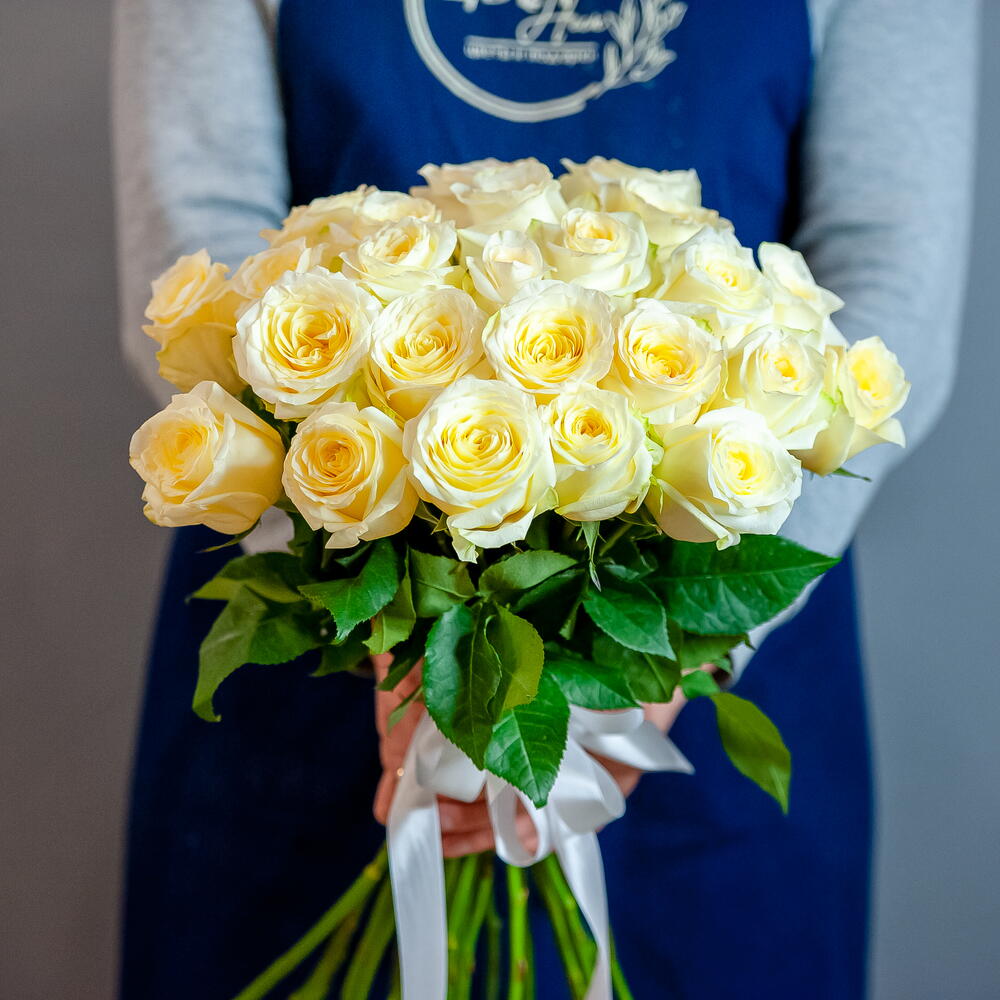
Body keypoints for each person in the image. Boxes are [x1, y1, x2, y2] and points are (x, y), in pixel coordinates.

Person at [113, 1, 976, 997]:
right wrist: (392, 623)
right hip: (323, 663)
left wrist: (660, 659)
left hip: (702, 660)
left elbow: (888, 283)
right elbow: (196, 243)